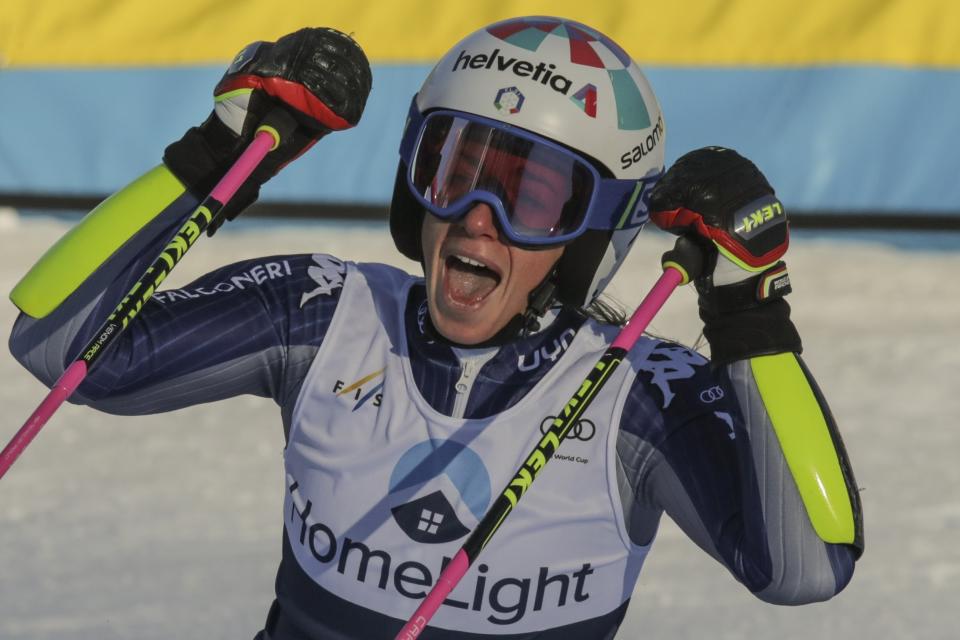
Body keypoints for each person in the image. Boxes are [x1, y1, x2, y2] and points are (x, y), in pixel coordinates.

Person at [8, 17, 863, 640]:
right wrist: (216, 153)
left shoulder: (636, 394)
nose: (477, 220)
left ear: (592, 236)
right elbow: (59, 342)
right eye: (452, 170)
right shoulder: (324, 312)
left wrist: (751, 317)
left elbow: (806, 566)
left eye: (532, 197)